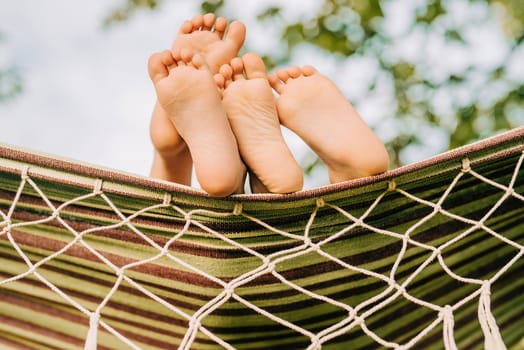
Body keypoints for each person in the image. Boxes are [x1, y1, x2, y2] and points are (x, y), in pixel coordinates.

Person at [148, 14, 390, 196]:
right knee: (277, 208)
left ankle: (175, 157)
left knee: (160, 228)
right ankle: (351, 178)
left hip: (185, 252)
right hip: (322, 248)